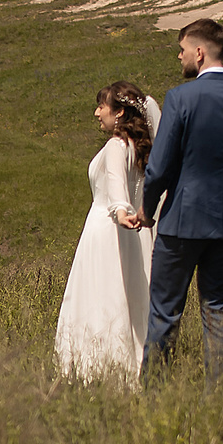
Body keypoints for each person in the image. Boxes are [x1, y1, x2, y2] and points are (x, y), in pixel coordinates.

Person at [135, 19, 223, 386]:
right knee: (218, 308)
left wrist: (148, 210)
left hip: (183, 219)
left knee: (166, 312)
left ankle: (154, 395)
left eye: (182, 49)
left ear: (199, 53)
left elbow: (160, 167)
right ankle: (218, 397)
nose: (179, 57)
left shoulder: (181, 98)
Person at [54, 80, 159, 378]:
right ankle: (134, 365)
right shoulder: (140, 148)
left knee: (101, 297)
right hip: (133, 235)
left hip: (106, 228)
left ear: (121, 112)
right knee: (128, 297)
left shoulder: (116, 145)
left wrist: (120, 209)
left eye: (102, 106)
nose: (97, 113)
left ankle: (98, 369)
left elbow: (115, 180)